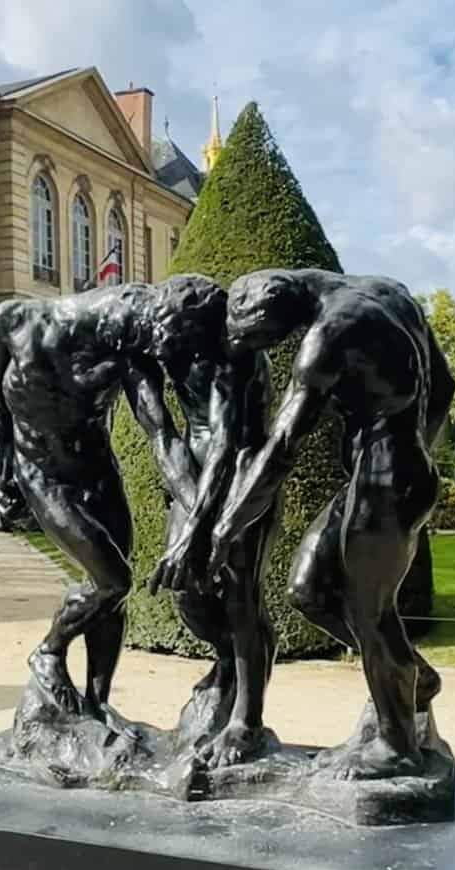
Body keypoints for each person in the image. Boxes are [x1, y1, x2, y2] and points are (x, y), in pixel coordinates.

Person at [153, 269, 455, 781]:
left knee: (369, 612)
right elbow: (444, 385)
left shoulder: (326, 336)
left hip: (386, 479)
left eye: (259, 340)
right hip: (385, 472)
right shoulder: (386, 291)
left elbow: (280, 450)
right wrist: (415, 446)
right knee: (308, 589)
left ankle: (398, 744)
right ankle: (413, 677)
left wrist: (223, 531)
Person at [0, 276, 218, 737]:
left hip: (97, 474)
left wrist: (199, 509)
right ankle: (49, 652)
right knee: (112, 580)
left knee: (112, 597)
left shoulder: (128, 357)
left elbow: (162, 438)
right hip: (43, 475)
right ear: (109, 324)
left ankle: (97, 704)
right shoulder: (15, 321)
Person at [145, 284, 279, 767]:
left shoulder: (234, 358)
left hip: (242, 480)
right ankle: (231, 663)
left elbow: (225, 444)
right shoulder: (175, 347)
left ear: (200, 327)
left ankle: (247, 719)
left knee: (241, 597)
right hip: (195, 479)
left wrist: (200, 529)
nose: (165, 341)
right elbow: (164, 429)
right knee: (185, 591)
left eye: (175, 331)